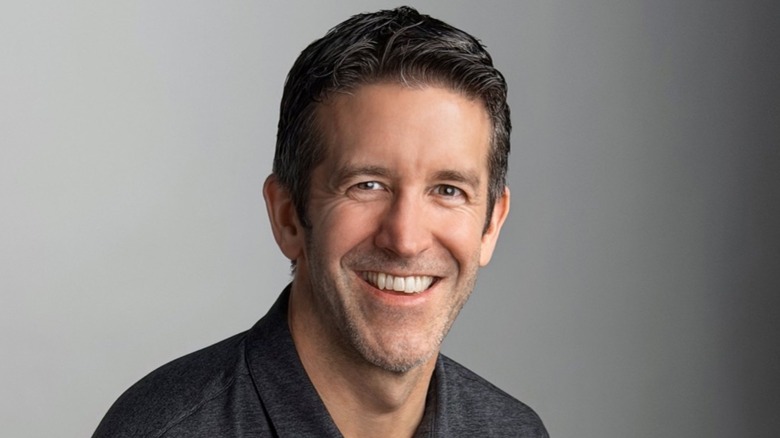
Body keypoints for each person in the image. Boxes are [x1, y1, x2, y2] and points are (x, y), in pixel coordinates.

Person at [93, 6, 547, 437]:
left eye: (448, 190)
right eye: (367, 185)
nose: (406, 239)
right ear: (288, 216)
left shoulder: (515, 431)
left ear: (491, 225)